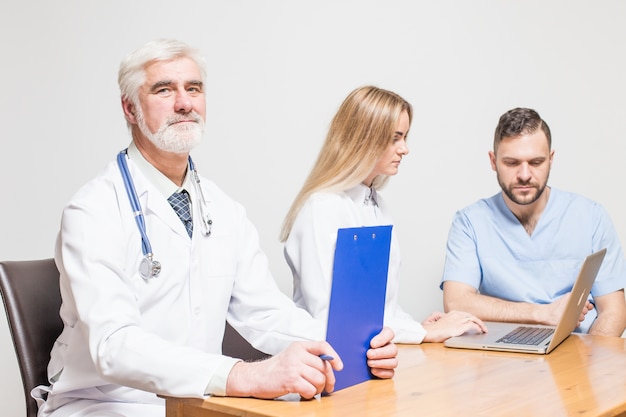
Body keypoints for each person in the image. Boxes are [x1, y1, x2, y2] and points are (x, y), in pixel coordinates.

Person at [36, 39, 398, 417]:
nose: (184, 103)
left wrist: (347, 349)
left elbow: (265, 311)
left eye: (194, 88)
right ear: (130, 108)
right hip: (106, 403)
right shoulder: (93, 210)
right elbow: (114, 344)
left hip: (198, 401)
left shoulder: (224, 209)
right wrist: (244, 376)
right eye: (164, 90)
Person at [280, 86, 487, 344]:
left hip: (370, 358)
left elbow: (381, 311)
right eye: (395, 138)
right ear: (362, 138)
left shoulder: (378, 207)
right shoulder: (322, 210)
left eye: (405, 137)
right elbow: (333, 321)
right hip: (328, 368)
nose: (405, 149)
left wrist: (417, 327)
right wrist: (422, 334)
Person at [441, 107, 626, 336]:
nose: (525, 175)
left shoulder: (590, 216)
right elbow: (456, 302)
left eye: (536, 162)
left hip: (578, 353)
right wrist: (543, 313)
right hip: (503, 356)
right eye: (512, 163)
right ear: (493, 161)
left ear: (551, 159)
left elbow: (614, 311)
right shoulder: (469, 222)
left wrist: (587, 361)